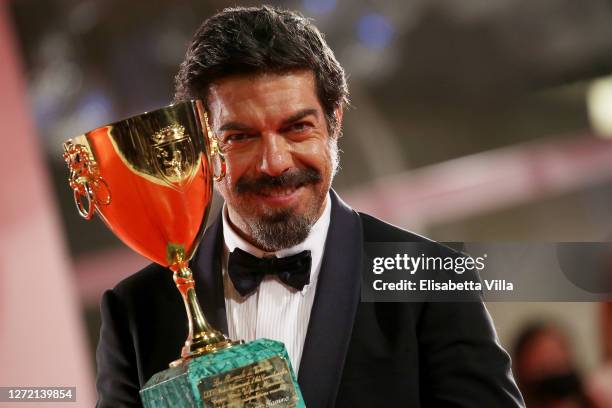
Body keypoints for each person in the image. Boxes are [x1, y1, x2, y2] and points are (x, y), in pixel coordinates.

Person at [95, 5, 525, 407]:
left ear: (334, 122)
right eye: (240, 137)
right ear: (203, 146)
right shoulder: (136, 309)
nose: (274, 163)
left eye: (297, 128)